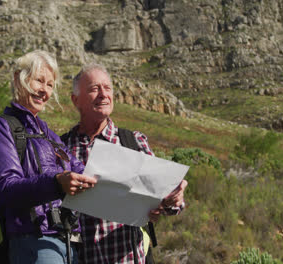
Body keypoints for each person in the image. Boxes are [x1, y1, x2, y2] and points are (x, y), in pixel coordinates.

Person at [61, 64, 188, 264]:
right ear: (75, 100)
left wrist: (173, 200)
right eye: (94, 89)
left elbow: (166, 201)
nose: (103, 94)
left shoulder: (133, 142)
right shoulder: (62, 148)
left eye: (107, 88)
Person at [0, 50, 97, 264]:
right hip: (32, 242)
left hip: (69, 243)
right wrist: (56, 183)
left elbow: (82, 172)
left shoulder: (51, 136)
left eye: (50, 84)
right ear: (19, 79)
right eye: (39, 81)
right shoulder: (1, 127)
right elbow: (7, 188)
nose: (44, 90)